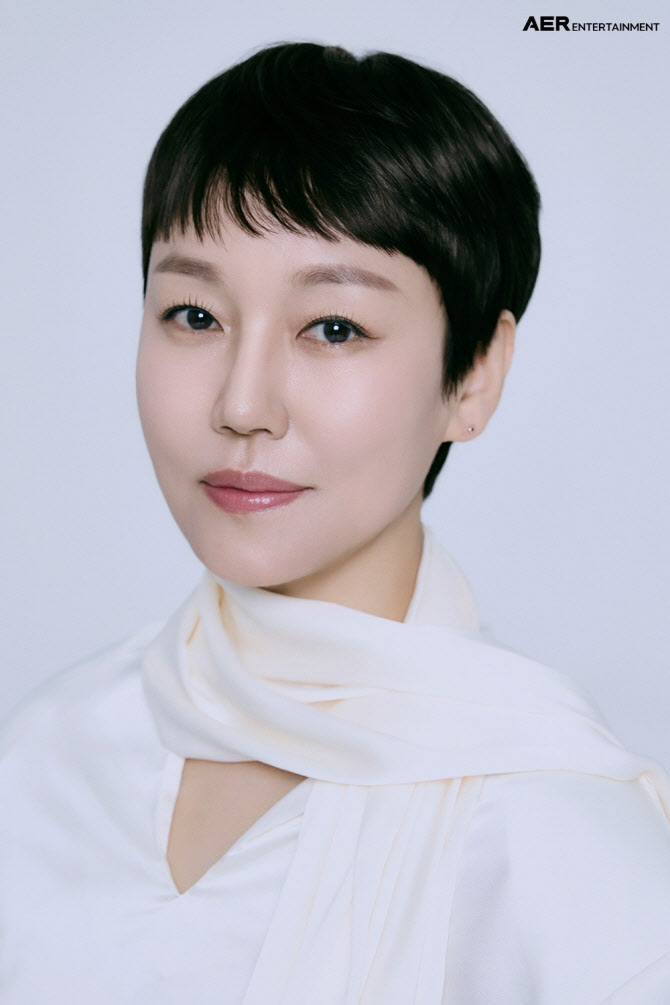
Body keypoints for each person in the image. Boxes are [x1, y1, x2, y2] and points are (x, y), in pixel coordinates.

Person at [1, 41, 669, 1005]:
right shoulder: (46, 755)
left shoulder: (560, 847)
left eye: (334, 327)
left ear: (474, 375)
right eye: (194, 315)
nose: (243, 404)